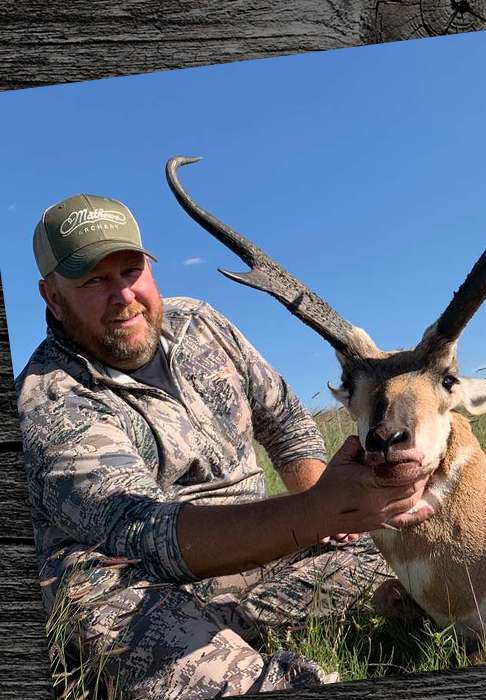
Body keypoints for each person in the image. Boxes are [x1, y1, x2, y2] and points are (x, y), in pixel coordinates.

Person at [17, 194, 435, 697]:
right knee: (105, 599)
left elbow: (284, 421)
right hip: (139, 582)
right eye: (93, 281)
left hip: (263, 546)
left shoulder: (199, 324)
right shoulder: (49, 400)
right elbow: (145, 534)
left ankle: (234, 625)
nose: (123, 296)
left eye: (130, 271)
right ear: (52, 297)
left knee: (411, 548)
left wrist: (337, 524)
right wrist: (316, 514)